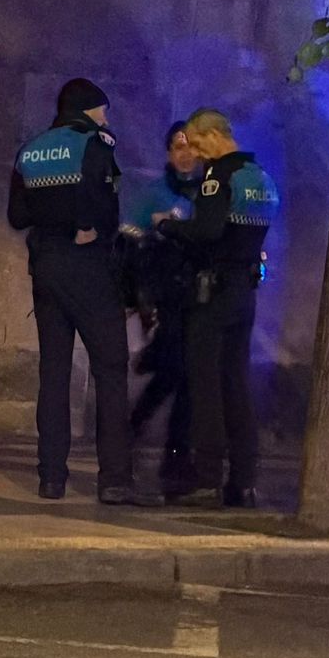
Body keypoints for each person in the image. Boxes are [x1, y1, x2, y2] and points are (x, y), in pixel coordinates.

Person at [7, 79, 159, 506]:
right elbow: (106, 211)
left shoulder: (30, 151)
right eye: (103, 110)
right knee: (110, 367)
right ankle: (114, 480)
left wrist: (54, 224)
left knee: (53, 373)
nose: (106, 118)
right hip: (88, 268)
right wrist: (85, 228)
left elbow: (18, 215)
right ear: (88, 110)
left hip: (46, 268)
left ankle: (51, 477)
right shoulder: (95, 144)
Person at [154, 109, 279, 508]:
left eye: (196, 141)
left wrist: (167, 226)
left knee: (206, 385)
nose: (195, 152)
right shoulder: (260, 177)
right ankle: (243, 479)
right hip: (245, 292)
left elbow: (207, 233)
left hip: (213, 292)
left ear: (212, 135)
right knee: (237, 385)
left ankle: (207, 477)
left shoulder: (218, 178)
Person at [124, 123, 202, 488]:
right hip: (165, 293)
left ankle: (172, 448)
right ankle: (153, 436)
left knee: (184, 372)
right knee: (178, 369)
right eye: (176, 147)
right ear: (169, 153)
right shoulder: (154, 193)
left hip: (200, 296)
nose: (184, 154)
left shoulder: (210, 192)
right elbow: (131, 240)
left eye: (191, 147)